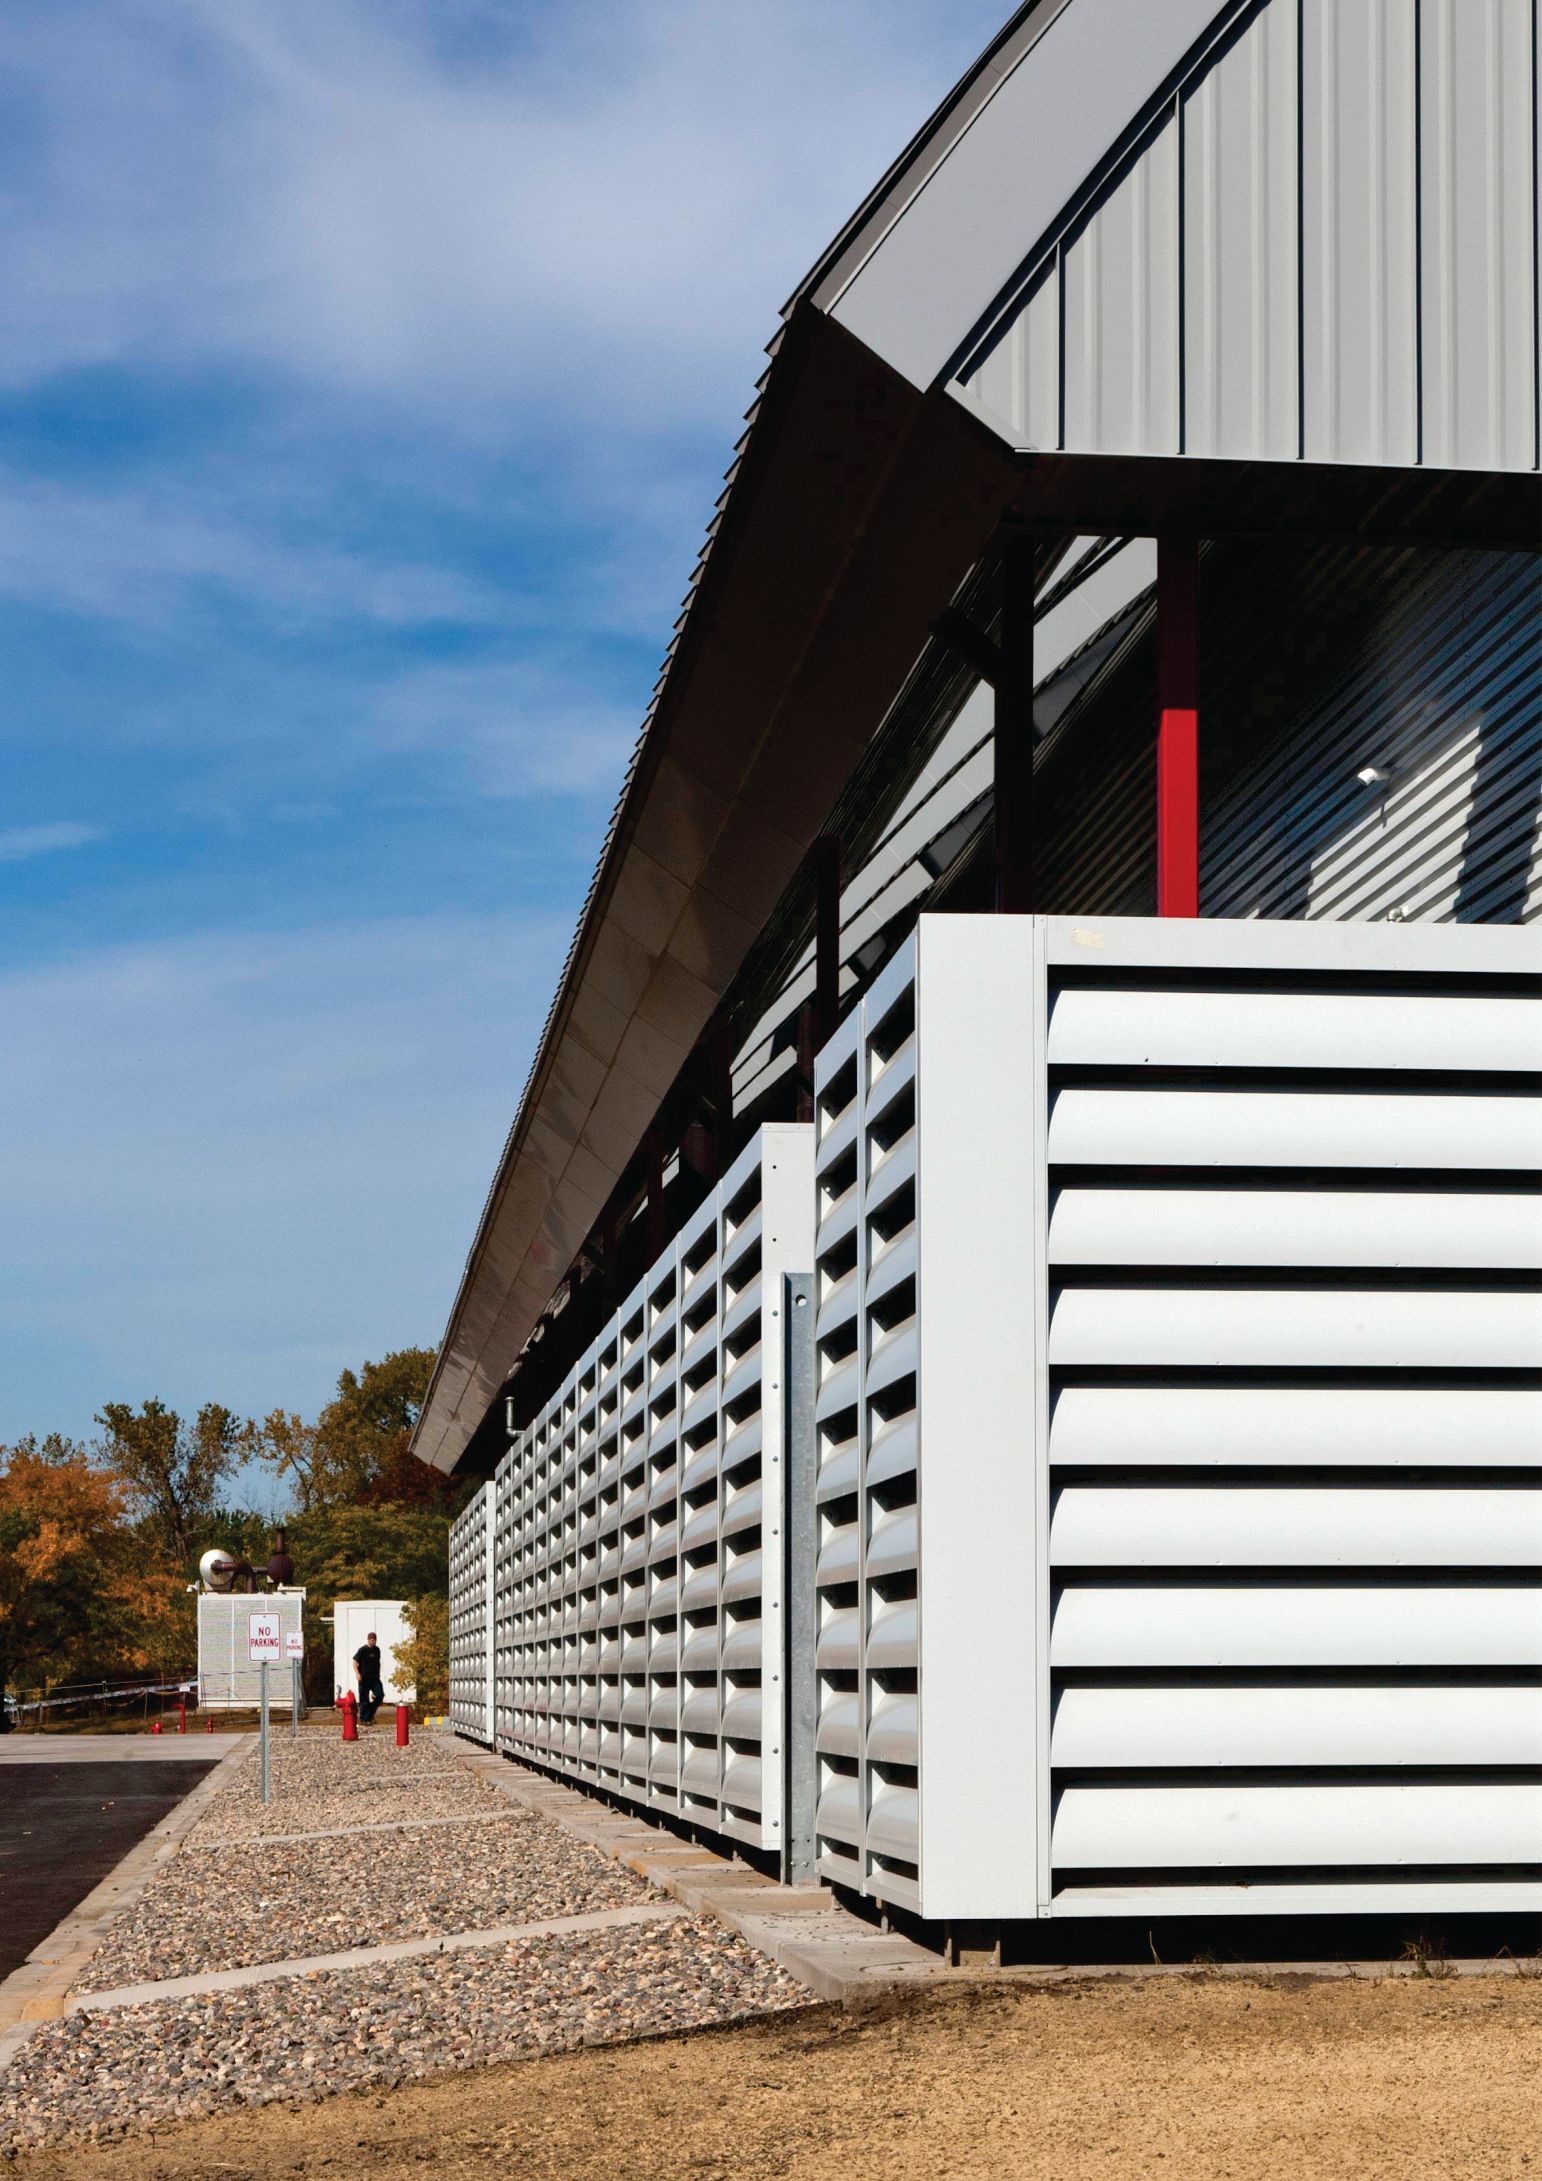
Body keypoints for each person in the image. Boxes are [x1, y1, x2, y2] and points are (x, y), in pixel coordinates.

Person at [353, 1632, 384, 1725]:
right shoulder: (362, 1650)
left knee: (380, 1695)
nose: (373, 1641)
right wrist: (358, 1674)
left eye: (374, 1640)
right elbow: (354, 1662)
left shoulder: (377, 1650)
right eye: (371, 1640)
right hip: (364, 1678)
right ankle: (365, 1719)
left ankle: (369, 1714)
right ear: (368, 1639)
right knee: (364, 1699)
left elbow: (378, 1662)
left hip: (375, 1679)